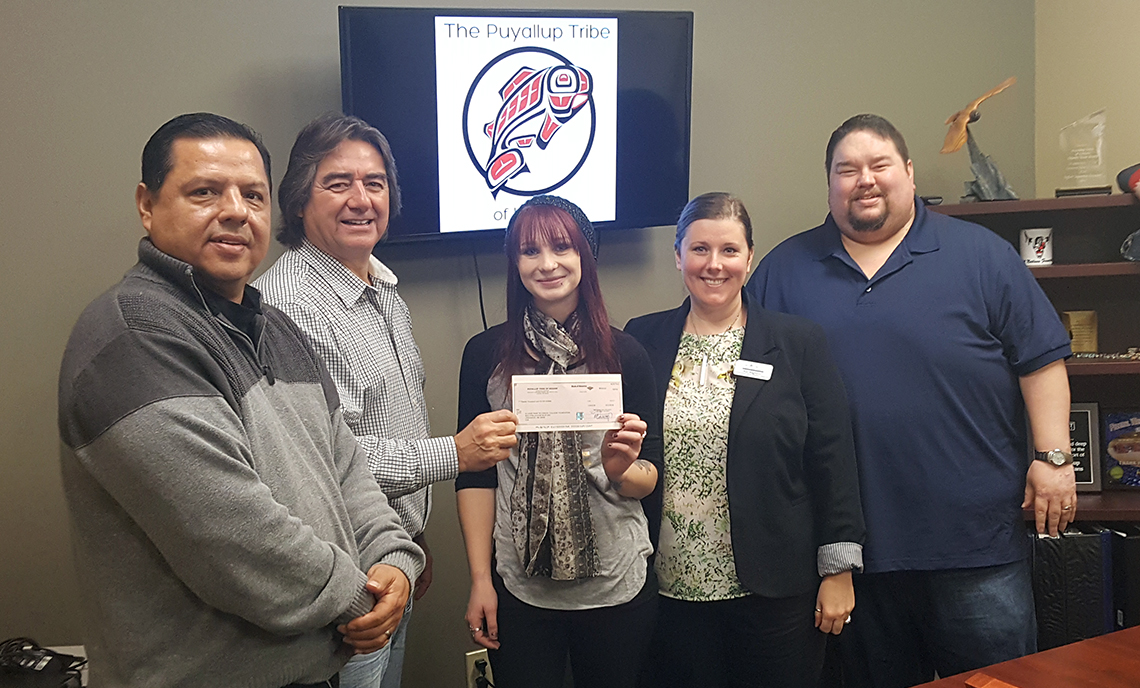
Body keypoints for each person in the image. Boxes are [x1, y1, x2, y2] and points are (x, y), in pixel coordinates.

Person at [57, 112, 424, 688]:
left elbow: (347, 467)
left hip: (317, 662)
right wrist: (363, 597)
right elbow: (232, 537)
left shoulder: (276, 329)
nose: (234, 210)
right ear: (147, 205)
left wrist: (394, 561)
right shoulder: (135, 339)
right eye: (204, 191)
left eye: (251, 195)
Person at [748, 114, 1076, 687]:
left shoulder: (981, 255)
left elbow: (1041, 360)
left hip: (974, 545)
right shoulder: (783, 270)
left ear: (909, 172)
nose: (864, 180)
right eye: (847, 170)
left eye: (879, 165)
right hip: (850, 554)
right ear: (828, 184)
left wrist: (1053, 459)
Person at [255, 113, 518, 688]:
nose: (361, 199)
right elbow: (323, 460)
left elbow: (386, 420)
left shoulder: (382, 290)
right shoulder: (286, 307)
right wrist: (456, 453)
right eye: (338, 182)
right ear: (300, 199)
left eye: (374, 183)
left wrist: (409, 543)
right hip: (341, 580)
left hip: (389, 556)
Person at [624, 192, 865, 688]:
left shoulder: (798, 342)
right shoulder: (641, 340)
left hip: (775, 591)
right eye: (699, 250)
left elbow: (833, 457)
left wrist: (838, 569)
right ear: (678, 257)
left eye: (729, 251)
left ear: (749, 258)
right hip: (667, 587)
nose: (715, 265)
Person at [455, 195, 663, 688]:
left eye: (562, 247)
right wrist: (481, 580)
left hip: (616, 584)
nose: (547, 264)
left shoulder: (626, 354)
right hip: (519, 587)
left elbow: (650, 477)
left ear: (586, 257)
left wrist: (620, 469)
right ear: (515, 263)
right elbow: (476, 472)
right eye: (530, 251)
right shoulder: (486, 354)